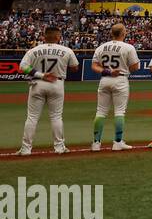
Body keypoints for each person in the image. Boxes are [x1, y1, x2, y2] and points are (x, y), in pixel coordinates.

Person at [17, 26, 78, 156]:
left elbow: (22, 67)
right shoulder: (66, 50)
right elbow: (75, 68)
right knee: (56, 116)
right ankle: (59, 147)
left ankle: (26, 149)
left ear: (44, 36)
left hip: (37, 83)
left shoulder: (34, 50)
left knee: (32, 117)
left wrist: (40, 74)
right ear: (57, 37)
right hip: (57, 83)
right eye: (59, 35)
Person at [92, 22, 141, 151]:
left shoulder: (101, 47)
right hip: (120, 79)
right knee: (119, 111)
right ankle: (117, 142)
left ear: (111, 33)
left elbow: (94, 66)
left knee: (100, 111)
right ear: (123, 33)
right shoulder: (128, 47)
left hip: (105, 79)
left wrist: (107, 71)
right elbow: (135, 67)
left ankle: (96, 143)